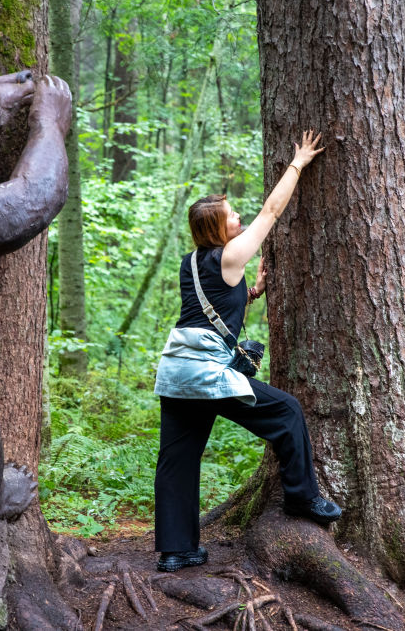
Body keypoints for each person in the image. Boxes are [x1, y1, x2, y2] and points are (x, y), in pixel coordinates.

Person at [153, 130, 340, 573]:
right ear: (218, 229)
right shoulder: (232, 254)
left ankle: (176, 550)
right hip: (206, 375)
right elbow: (272, 211)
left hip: (177, 370)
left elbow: (209, 309)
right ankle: (302, 496)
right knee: (287, 412)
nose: (238, 217)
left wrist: (251, 292)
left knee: (177, 460)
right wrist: (298, 162)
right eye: (231, 215)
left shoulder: (193, 262)